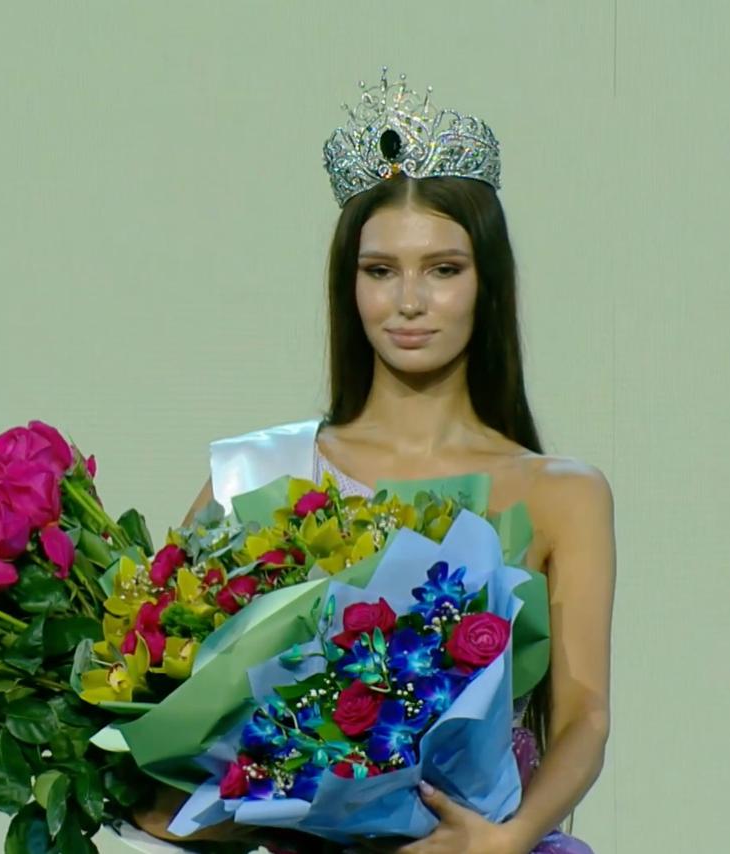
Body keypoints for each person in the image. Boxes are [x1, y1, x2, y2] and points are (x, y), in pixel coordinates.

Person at [125, 67, 615, 854]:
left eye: (443, 270)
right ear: (348, 284)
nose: (409, 301)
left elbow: (584, 713)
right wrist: (204, 810)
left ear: (487, 282)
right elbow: (164, 688)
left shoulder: (561, 494)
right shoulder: (257, 475)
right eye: (380, 271)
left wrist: (507, 838)